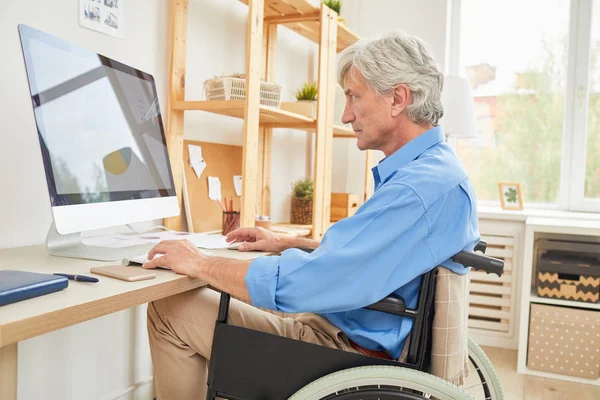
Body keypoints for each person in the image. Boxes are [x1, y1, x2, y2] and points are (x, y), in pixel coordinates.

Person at [144, 30, 479, 399]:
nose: (346, 114)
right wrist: (288, 243)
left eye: (354, 96)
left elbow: (312, 283)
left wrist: (202, 263)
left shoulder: (417, 189)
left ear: (398, 98)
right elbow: (373, 257)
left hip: (344, 353)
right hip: (352, 329)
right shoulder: (433, 171)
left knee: (169, 309)